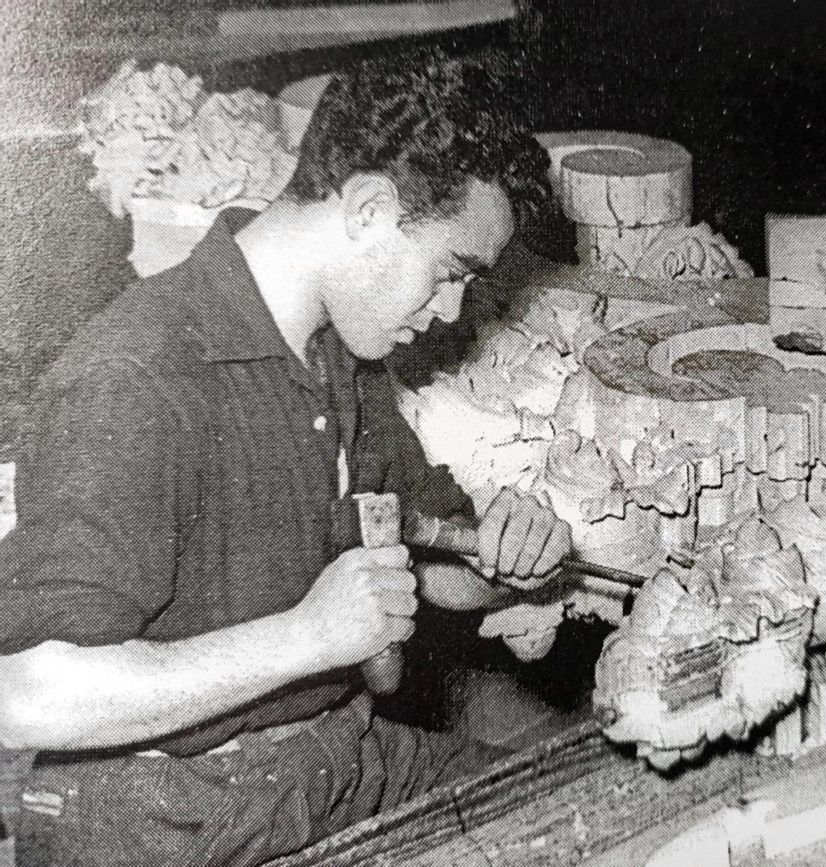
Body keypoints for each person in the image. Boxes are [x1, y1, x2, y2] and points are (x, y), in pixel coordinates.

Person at [0, 48, 570, 867]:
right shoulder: (139, 377)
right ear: (370, 208)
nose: (449, 312)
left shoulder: (342, 352)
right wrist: (309, 637)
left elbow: (431, 559)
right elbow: (25, 692)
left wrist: (505, 555)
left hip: (333, 764)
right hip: (168, 819)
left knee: (576, 800)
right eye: (451, 273)